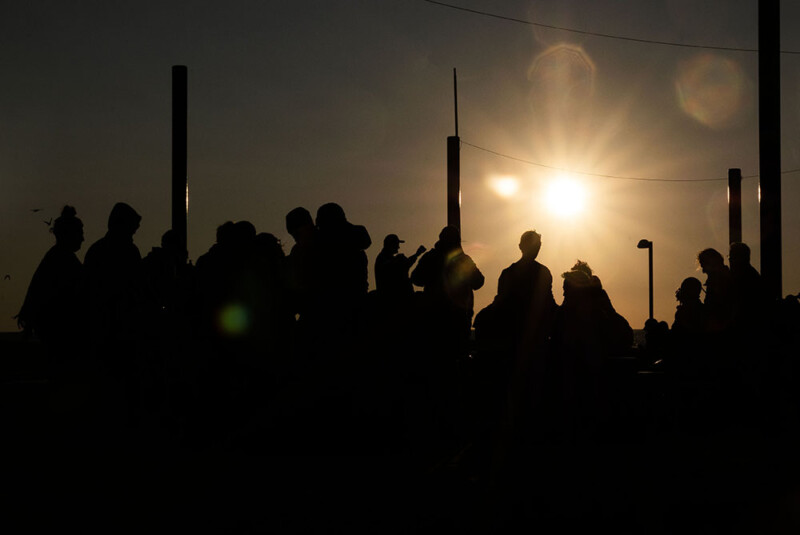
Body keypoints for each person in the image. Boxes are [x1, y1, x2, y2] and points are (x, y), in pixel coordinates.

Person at [17, 205, 85, 349]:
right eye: (80, 233)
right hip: (60, 332)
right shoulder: (63, 261)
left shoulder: (54, 257)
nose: (83, 239)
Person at [374, 234, 425, 298]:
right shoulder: (383, 259)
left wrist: (416, 254)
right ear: (391, 244)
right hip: (392, 297)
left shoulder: (387, 258)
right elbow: (400, 267)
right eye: (397, 244)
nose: (398, 247)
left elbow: (405, 264)